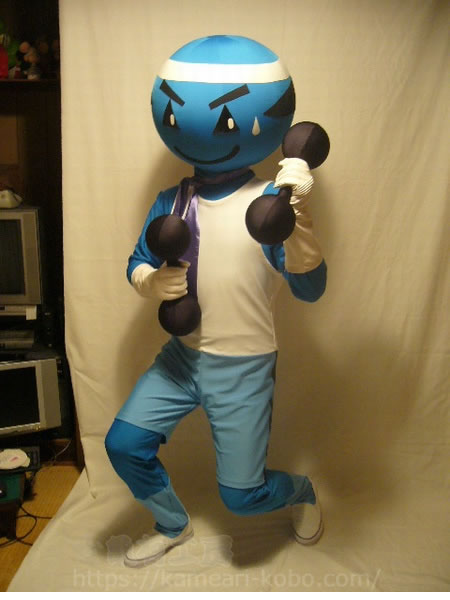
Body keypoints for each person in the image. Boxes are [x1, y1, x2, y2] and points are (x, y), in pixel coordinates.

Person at [105, 35, 327, 568]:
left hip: (242, 367)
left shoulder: (268, 206)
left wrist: (297, 222)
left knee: (241, 497)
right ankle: (172, 523)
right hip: (180, 358)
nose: (201, 129)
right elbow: (138, 260)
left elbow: (310, 288)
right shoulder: (172, 200)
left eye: (228, 119)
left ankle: (301, 491)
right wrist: (148, 282)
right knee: (123, 444)